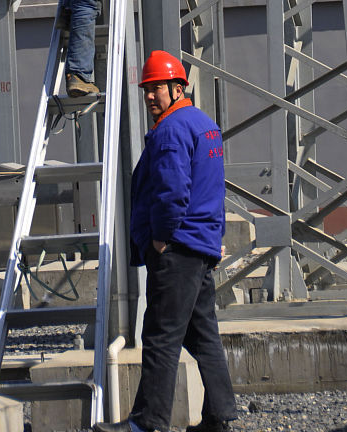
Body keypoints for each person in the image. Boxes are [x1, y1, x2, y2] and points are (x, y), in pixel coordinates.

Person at [95, 50, 238, 432]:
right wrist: (213, 238)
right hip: (199, 246)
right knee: (203, 335)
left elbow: (172, 192)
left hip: (177, 250)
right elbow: (213, 189)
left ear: (178, 87)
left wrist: (160, 239)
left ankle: (148, 423)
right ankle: (219, 417)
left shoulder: (171, 130)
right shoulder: (205, 125)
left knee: (160, 337)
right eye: (146, 88)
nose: (149, 96)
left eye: (156, 87)